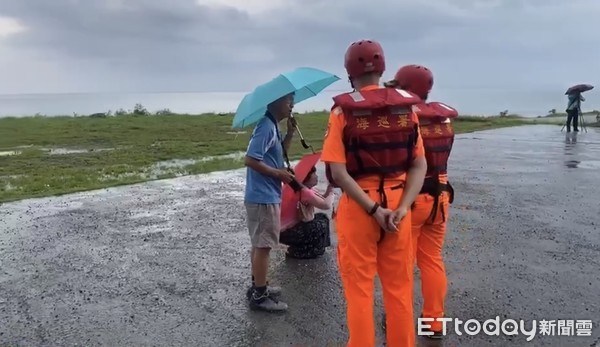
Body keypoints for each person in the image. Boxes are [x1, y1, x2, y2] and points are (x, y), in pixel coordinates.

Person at [321, 39, 428, 347]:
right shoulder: (407, 109)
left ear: (349, 72)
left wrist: (373, 210)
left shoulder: (342, 111)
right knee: (399, 291)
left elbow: (338, 173)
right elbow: (419, 165)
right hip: (399, 208)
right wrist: (404, 207)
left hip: (360, 207)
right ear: (382, 68)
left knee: (359, 291)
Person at [384, 64, 458, 339]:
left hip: (411, 201)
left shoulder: (404, 118)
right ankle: (434, 323)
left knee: (400, 264)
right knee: (431, 261)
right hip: (440, 197)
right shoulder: (444, 121)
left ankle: (397, 318)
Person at [243, 93, 296, 312]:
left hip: (265, 194)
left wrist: (291, 133)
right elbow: (250, 159)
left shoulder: (272, 125)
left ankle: (258, 285)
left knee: (259, 244)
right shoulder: (266, 126)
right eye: (288, 101)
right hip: (263, 196)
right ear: (275, 102)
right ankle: (260, 295)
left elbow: (277, 154)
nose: (291, 105)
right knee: (263, 246)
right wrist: (279, 174)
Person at [279, 166, 335, 259]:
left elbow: (322, 199)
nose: (317, 177)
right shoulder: (303, 191)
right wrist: (332, 192)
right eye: (314, 174)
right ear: (306, 177)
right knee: (318, 225)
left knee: (321, 217)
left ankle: (307, 247)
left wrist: (330, 188)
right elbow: (326, 205)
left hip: (285, 232)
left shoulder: (301, 188)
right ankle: (305, 251)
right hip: (288, 232)